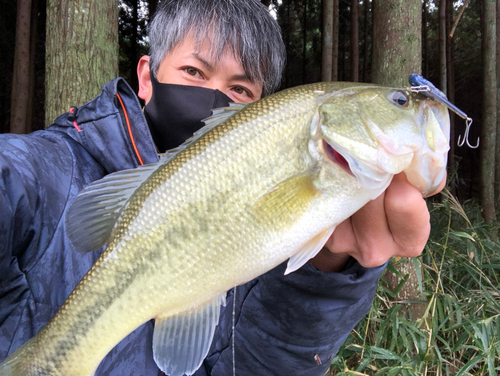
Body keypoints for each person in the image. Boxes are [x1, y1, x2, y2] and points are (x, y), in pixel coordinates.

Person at [0, 0, 442, 375]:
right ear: (147, 76)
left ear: (260, 106)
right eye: (193, 71)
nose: (214, 97)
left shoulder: (310, 179)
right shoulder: (38, 170)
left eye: (241, 89)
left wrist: (325, 275)